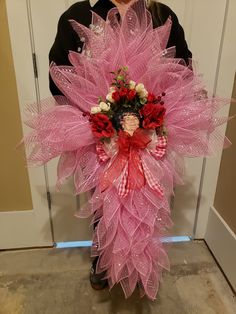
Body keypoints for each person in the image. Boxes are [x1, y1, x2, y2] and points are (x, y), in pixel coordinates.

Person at [49, 0, 192, 290]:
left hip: (149, 136)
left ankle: (141, 263)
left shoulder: (161, 15)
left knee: (147, 203)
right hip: (100, 137)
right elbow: (59, 79)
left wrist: (154, 111)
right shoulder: (78, 15)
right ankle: (103, 260)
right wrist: (96, 113)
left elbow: (184, 68)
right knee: (104, 205)